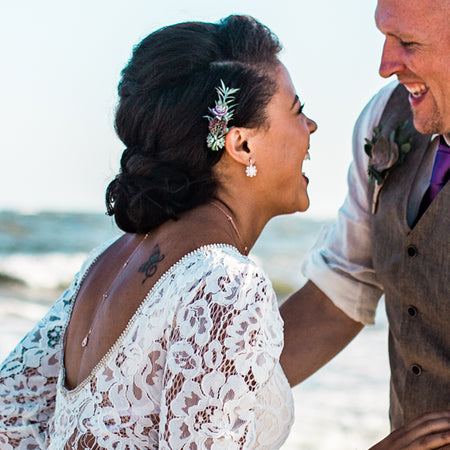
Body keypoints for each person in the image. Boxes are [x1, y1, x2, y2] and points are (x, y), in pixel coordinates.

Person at [1, 13, 449, 450]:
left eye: (408, 41)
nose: (311, 128)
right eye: (297, 111)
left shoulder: (104, 264)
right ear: (241, 144)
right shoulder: (228, 285)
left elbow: (10, 424)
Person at [280, 0, 450, 440]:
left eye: (408, 43)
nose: (385, 65)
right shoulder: (384, 121)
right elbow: (341, 289)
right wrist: (212, 394)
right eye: (384, 36)